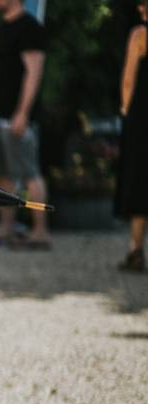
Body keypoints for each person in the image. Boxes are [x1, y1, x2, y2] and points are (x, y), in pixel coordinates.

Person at [0, 0, 50, 248]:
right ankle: (6, 229)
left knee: (29, 173)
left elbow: (34, 73)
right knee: (1, 175)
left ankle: (40, 232)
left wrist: (23, 112)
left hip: (17, 116)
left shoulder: (31, 28)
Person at [116, 0, 148, 272]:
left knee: (140, 181)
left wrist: (126, 108)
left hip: (142, 117)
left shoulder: (140, 35)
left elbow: (129, 79)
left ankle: (136, 249)